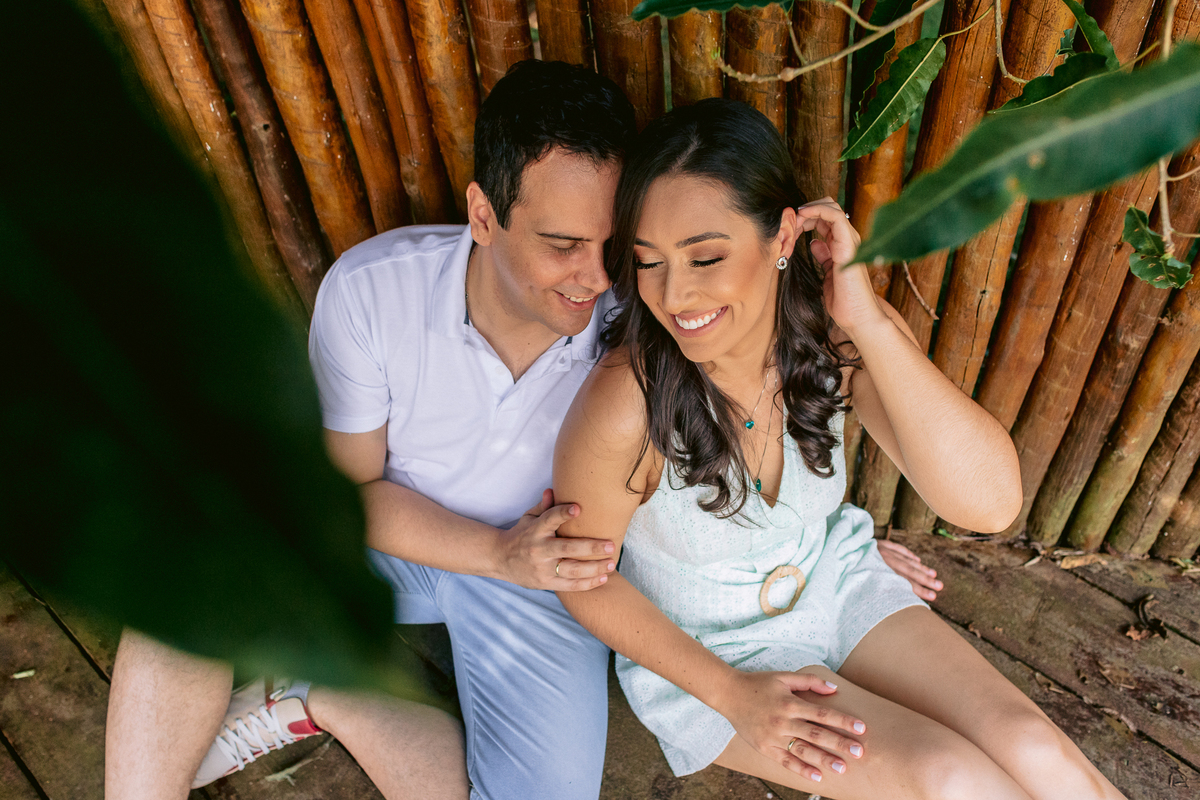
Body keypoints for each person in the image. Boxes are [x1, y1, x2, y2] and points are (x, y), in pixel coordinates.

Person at [552, 99, 1127, 800]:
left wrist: (867, 320)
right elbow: (581, 576)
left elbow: (990, 504)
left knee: (1036, 749)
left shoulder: (832, 337)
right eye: (649, 262)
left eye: (705, 257)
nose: (675, 294)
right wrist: (732, 695)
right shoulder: (627, 401)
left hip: (836, 580)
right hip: (713, 658)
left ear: (782, 235)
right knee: (952, 781)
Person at [107, 59, 633, 800]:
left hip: (542, 574)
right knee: (192, 552)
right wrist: (494, 552)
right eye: (562, 245)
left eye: (610, 243)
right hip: (387, 542)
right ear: (484, 216)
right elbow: (347, 491)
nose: (598, 277)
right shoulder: (372, 291)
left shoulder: (635, 320)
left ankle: (330, 698)